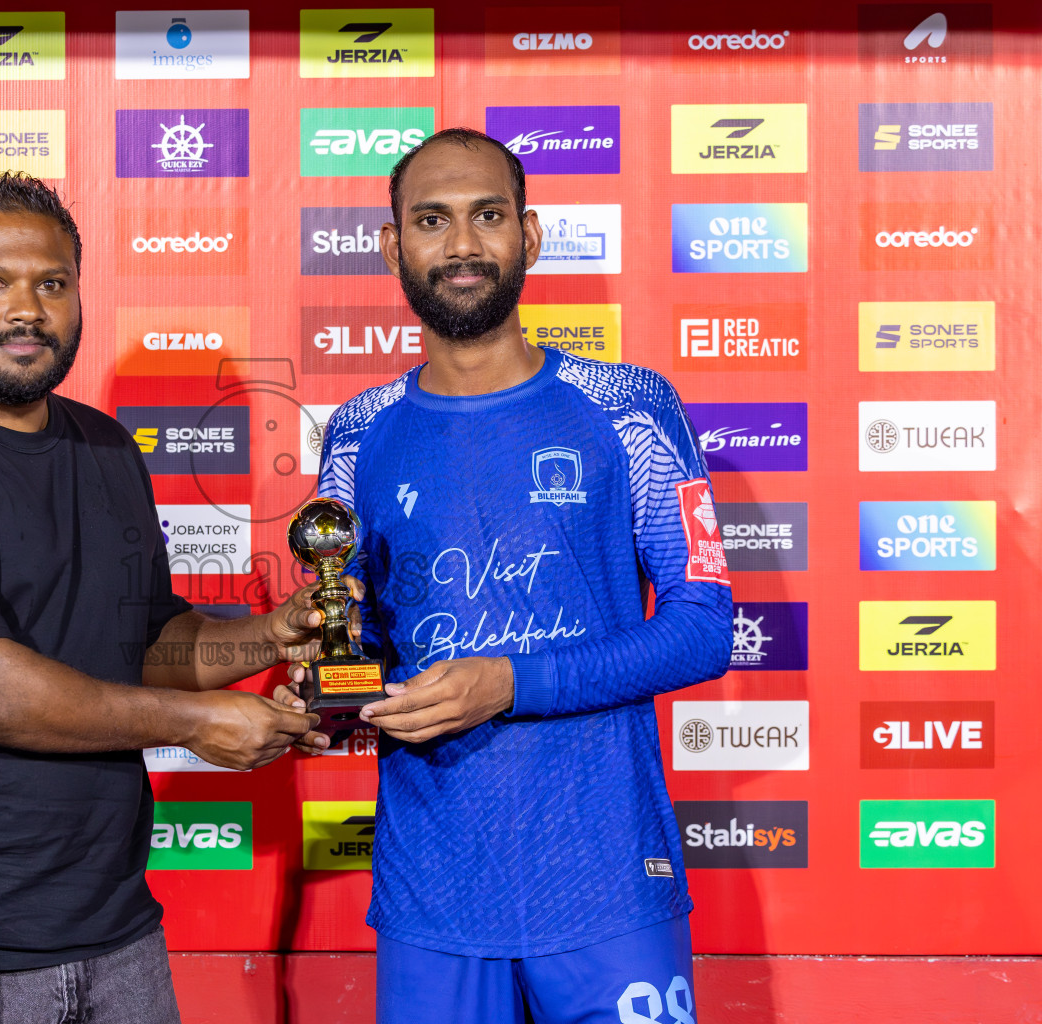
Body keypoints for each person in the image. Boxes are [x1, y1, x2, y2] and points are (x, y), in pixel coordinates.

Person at [0, 172, 328, 1024]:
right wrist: (196, 724)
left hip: (113, 933)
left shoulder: (106, 449)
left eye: (52, 283)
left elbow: (146, 646)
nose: (27, 310)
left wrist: (273, 635)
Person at [278, 129, 733, 1024]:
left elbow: (703, 628)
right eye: (431, 221)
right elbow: (363, 645)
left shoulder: (630, 406)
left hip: (607, 875)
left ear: (529, 235)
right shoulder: (360, 432)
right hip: (433, 888)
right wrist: (325, 692)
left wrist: (509, 683)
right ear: (393, 246)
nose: (461, 245)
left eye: (487, 216)